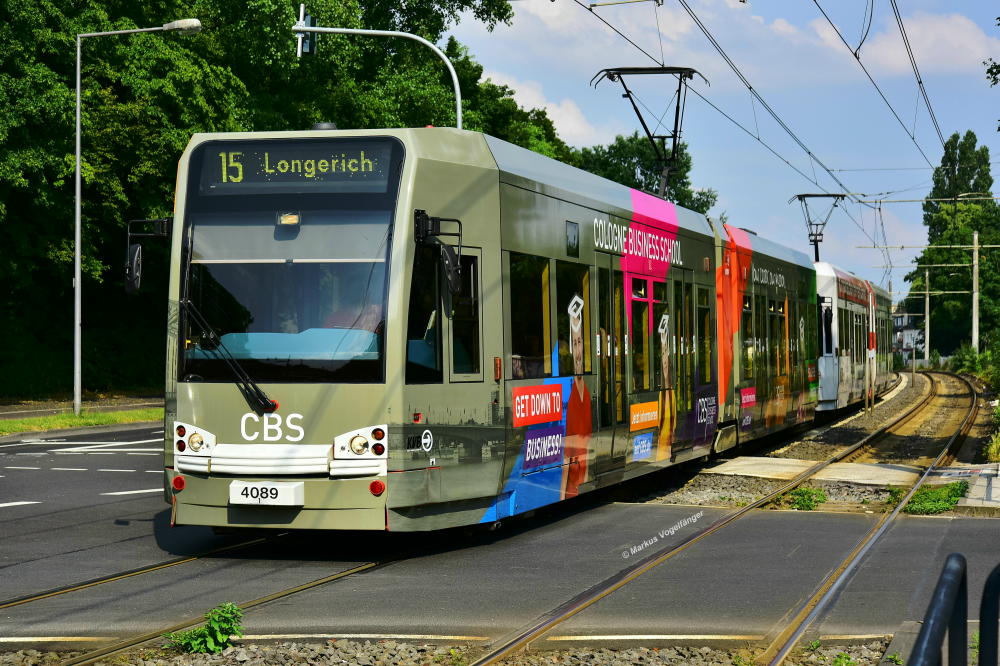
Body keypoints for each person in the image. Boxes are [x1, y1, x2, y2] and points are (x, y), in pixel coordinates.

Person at [562, 295, 591, 498]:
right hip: (571, 485)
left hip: (581, 479)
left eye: (580, 342)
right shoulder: (570, 394)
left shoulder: (586, 393)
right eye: (574, 343)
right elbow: (567, 458)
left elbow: (587, 448)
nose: (578, 350)